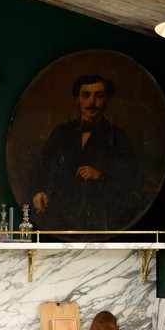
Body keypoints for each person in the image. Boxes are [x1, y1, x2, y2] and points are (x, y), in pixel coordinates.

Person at [30, 74, 139, 232]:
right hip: (61, 219)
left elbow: (132, 179)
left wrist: (100, 175)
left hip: (101, 219)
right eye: (86, 95)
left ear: (106, 99)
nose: (92, 102)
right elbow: (43, 166)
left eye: (98, 96)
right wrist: (38, 191)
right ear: (77, 98)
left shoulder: (118, 137)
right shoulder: (60, 133)